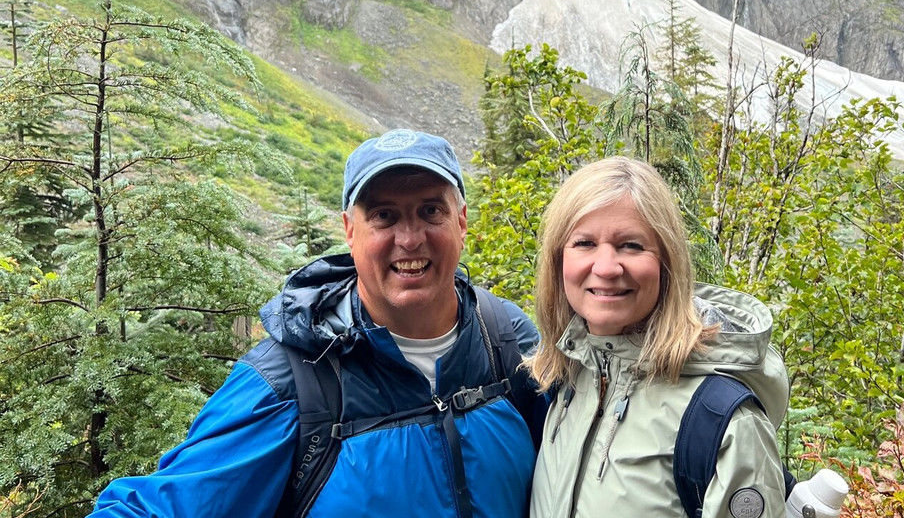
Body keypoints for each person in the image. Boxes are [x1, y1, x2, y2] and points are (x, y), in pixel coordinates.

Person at [88, 129, 540, 518]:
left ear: (461, 222)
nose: (409, 238)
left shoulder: (506, 340)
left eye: (430, 211)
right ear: (349, 230)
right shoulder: (292, 380)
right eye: (384, 215)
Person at [528, 157, 789, 518]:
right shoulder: (571, 377)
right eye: (585, 243)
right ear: (558, 261)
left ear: (667, 263)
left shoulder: (724, 422)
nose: (605, 267)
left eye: (631, 246)